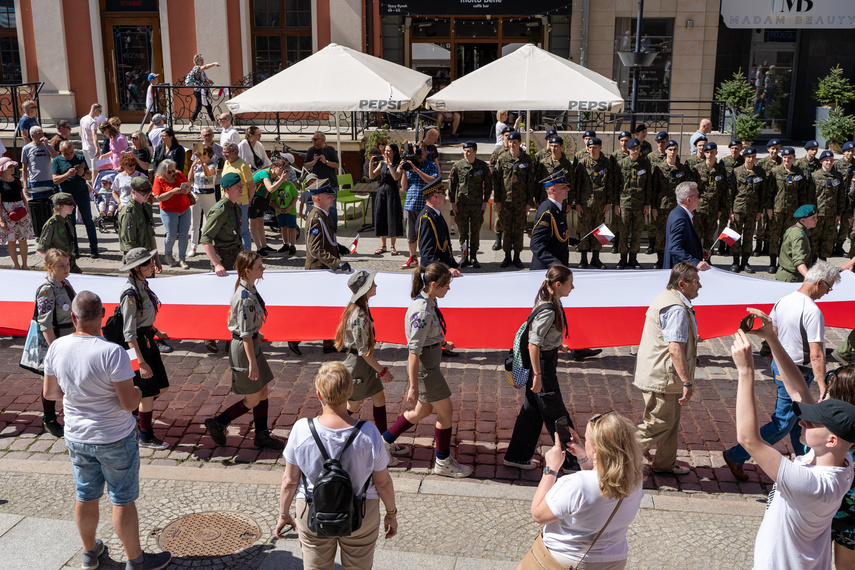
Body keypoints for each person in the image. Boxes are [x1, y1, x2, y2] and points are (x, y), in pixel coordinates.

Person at [42, 290, 172, 570]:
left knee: (85, 495)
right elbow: (128, 404)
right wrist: (137, 391)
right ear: (102, 315)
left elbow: (51, 393)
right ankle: (135, 560)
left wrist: (79, 394)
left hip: (77, 435)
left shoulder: (57, 347)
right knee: (122, 500)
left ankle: (89, 553)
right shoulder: (112, 352)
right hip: (113, 436)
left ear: (73, 317)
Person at [730, 327, 854, 570]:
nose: (802, 421)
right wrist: (773, 339)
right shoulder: (841, 461)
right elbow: (799, 391)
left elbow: (749, 440)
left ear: (831, 440)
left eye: (811, 421)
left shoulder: (811, 483)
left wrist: (746, 372)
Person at [723, 260, 840, 481]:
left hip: (780, 363)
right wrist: (823, 385)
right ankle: (736, 455)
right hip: (798, 370)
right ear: (819, 282)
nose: (828, 292)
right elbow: (816, 354)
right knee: (784, 422)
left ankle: (805, 461)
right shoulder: (813, 311)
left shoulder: (783, 301)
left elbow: (773, 333)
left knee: (799, 420)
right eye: (829, 287)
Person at [275, 362, 398, 569]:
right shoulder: (368, 432)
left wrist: (284, 514)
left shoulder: (301, 430)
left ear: (319, 395)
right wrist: (391, 514)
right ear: (351, 391)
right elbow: (383, 482)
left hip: (312, 510)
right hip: (361, 511)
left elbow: (289, 481)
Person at [381, 263, 472, 478]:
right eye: (446, 285)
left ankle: (384, 443)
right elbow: (413, 352)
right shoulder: (422, 311)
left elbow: (426, 337)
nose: (448, 288)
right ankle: (442, 462)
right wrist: (413, 386)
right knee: (446, 412)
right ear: (433, 284)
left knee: (422, 411)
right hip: (427, 371)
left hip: (429, 365)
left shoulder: (429, 301)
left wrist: (440, 342)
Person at [522, 412, 644, 570]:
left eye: (586, 440)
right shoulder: (635, 480)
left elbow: (538, 514)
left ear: (595, 450)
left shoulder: (577, 484)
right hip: (614, 561)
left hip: (564, 561)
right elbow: (600, 484)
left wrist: (551, 468)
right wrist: (584, 456)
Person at [504, 265, 582, 473]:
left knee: (531, 412)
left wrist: (557, 344)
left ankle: (516, 456)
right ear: (558, 284)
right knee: (557, 413)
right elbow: (534, 344)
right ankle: (572, 461)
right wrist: (537, 375)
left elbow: (542, 337)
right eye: (570, 283)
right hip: (543, 367)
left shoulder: (550, 300)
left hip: (545, 359)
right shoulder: (548, 310)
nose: (572, 287)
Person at [204, 250, 285, 451]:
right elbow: (245, 334)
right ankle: (219, 422)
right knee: (252, 398)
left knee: (263, 389)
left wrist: (257, 333)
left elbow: (248, 328)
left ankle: (261, 434)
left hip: (251, 343)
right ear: (247, 270)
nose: (263, 268)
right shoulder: (245, 297)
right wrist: (253, 363)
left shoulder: (249, 288)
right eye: (259, 266)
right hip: (245, 349)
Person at [633, 262, 701, 476]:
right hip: (663, 375)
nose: (699, 286)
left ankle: (664, 464)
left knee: (670, 422)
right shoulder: (676, 308)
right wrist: (687, 381)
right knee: (657, 424)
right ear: (682, 284)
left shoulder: (668, 298)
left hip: (659, 372)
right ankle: (614, 457)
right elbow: (674, 349)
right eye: (696, 282)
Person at [333, 270, 401, 458]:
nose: (376, 286)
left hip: (362, 366)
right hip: (359, 367)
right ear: (365, 290)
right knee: (352, 407)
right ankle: (332, 436)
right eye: (373, 284)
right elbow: (364, 352)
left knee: (378, 399)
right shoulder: (360, 316)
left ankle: (384, 441)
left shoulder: (361, 308)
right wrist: (382, 371)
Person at [118, 248, 171, 449]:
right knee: (147, 392)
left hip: (147, 339)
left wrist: (156, 331)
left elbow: (143, 317)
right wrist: (141, 363)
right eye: (148, 264)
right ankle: (145, 436)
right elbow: (129, 333)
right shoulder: (130, 294)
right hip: (135, 346)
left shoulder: (142, 284)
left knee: (161, 386)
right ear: (136, 268)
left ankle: (134, 413)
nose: (152, 266)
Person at [31, 248, 75, 437]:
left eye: (67, 264)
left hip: (69, 338)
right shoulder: (47, 290)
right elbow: (46, 324)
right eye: (61, 266)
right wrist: (55, 349)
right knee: (50, 380)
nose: (66, 269)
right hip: (55, 341)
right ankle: (48, 419)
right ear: (49, 267)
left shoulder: (64, 284)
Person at [495, 131, 535, 269]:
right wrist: (497, 200)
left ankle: (517, 256)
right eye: (510, 142)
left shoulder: (527, 160)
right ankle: (507, 256)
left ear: (519, 143)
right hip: (505, 201)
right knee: (507, 229)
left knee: (518, 229)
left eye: (515, 142)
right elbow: (497, 180)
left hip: (521, 201)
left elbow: (530, 183)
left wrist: (529, 202)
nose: (512, 144)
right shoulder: (502, 158)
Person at [449, 140, 491, 268]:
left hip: (477, 205)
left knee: (475, 231)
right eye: (465, 151)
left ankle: (473, 257)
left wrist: (485, 201)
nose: (466, 153)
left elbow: (489, 185)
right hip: (462, 205)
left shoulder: (482, 166)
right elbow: (452, 186)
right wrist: (453, 203)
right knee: (462, 232)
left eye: (469, 151)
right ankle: (464, 256)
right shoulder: (458, 166)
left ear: (475, 152)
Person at [767, 147, 809, 273]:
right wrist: (769, 208)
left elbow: (802, 194)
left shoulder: (799, 173)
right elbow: (770, 192)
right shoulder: (775, 171)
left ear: (793, 158)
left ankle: (783, 263)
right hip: (777, 210)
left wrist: (802, 211)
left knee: (788, 238)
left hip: (793, 212)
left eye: (789, 157)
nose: (786, 159)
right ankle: (772, 263)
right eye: (785, 157)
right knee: (774, 236)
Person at [652, 140, 692, 268]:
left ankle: (676, 261)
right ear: (666, 151)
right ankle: (660, 260)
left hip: (678, 208)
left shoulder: (683, 169)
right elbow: (654, 189)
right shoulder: (659, 168)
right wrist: (653, 207)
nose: (672, 152)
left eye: (675, 149)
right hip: (662, 207)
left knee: (678, 235)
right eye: (670, 149)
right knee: (661, 234)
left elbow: (687, 190)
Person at [574, 137, 613, 269]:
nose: (591, 150)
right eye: (590, 147)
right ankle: (583, 258)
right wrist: (577, 203)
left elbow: (610, 184)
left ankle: (596, 258)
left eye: (594, 147)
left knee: (601, 231)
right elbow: (577, 185)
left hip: (601, 204)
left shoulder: (607, 163)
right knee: (584, 230)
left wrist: (609, 202)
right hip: (585, 204)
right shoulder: (583, 163)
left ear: (600, 147)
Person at [729, 147, 769, 273]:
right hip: (738, 209)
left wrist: (759, 211)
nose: (751, 159)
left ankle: (745, 262)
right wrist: (730, 211)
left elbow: (763, 193)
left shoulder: (760, 172)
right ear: (744, 157)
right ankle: (735, 261)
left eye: (753, 156)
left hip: (753, 210)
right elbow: (730, 193)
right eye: (748, 157)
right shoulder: (736, 171)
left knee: (748, 236)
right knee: (734, 235)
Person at [614, 138, 652, 270]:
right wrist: (616, 204)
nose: (635, 151)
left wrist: (647, 204)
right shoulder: (621, 164)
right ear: (628, 149)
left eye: (637, 149)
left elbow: (648, 186)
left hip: (640, 204)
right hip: (625, 203)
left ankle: (633, 258)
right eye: (633, 149)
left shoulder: (645, 163)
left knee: (637, 232)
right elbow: (616, 185)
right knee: (623, 231)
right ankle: (623, 258)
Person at [400, 142, 439, 269]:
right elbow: (404, 187)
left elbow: (432, 181)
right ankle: (413, 258)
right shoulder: (411, 164)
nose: (418, 154)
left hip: (425, 205)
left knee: (426, 234)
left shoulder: (431, 165)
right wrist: (404, 171)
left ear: (426, 152)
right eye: (416, 151)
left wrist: (416, 170)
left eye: (420, 151)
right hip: (410, 204)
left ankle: (426, 259)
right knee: (410, 234)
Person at [152, 159, 192, 269]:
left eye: (173, 171)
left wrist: (186, 190)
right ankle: (168, 256)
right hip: (169, 211)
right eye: (169, 172)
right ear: (163, 171)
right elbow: (158, 197)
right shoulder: (158, 180)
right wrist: (173, 192)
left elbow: (188, 185)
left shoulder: (178, 174)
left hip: (184, 209)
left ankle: (182, 259)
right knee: (171, 236)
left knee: (184, 235)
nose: (172, 174)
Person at [690, 140, 729, 252]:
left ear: (716, 152)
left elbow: (723, 191)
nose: (709, 154)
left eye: (712, 152)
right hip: (699, 208)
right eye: (707, 152)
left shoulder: (721, 170)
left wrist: (721, 209)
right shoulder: (697, 169)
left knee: (709, 235)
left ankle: (707, 257)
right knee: (697, 234)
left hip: (714, 208)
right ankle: (697, 257)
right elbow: (692, 190)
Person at [417, 178, 460, 275]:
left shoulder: (436, 214)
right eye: (443, 192)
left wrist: (453, 264)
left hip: (442, 271)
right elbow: (427, 254)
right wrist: (447, 268)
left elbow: (445, 247)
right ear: (435, 196)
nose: (445, 195)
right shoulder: (426, 219)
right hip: (434, 273)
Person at [119, 177, 162, 272]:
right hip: (137, 262)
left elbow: (151, 235)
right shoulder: (129, 213)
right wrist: (142, 265)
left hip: (148, 258)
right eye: (144, 194)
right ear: (133, 192)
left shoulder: (147, 207)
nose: (147, 196)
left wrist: (156, 259)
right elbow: (129, 245)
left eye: (149, 193)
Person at [663, 182, 709, 270]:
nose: (699, 199)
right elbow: (674, 248)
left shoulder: (677, 212)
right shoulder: (680, 218)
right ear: (689, 199)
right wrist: (696, 262)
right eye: (697, 196)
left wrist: (698, 251)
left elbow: (683, 242)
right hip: (680, 272)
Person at [369, 142, 404, 255]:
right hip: (381, 192)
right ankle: (383, 246)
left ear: (394, 152)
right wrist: (371, 164)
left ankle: (393, 246)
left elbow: (396, 177)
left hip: (392, 193)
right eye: (385, 151)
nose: (386, 153)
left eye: (388, 151)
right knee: (381, 218)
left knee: (392, 219)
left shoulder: (399, 164)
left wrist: (389, 164)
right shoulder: (382, 163)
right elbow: (372, 176)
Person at [0, 156, 33, 270]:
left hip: (21, 211)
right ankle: (16, 265)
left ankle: (25, 264)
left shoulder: (17, 180)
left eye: (13, 166)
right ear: (3, 169)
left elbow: (23, 197)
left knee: (23, 239)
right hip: (7, 213)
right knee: (11, 240)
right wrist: (1, 220)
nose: (12, 168)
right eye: (9, 166)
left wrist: (28, 212)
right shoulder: (0, 182)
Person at [811, 150, 844, 261]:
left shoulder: (838, 176)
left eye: (831, 160)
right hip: (817, 214)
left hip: (831, 214)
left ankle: (823, 262)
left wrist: (839, 214)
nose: (829, 163)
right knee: (815, 238)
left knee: (828, 239)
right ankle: (813, 261)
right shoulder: (815, 176)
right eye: (826, 161)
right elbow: (810, 196)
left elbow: (841, 196)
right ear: (821, 161)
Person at [250, 156, 287, 255]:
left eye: (283, 168)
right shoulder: (265, 173)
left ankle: (264, 245)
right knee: (253, 223)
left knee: (260, 221)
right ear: (274, 167)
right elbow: (270, 188)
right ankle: (259, 248)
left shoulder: (273, 176)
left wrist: (262, 205)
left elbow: (267, 191)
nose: (282, 170)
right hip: (250, 199)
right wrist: (281, 179)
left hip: (258, 200)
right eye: (281, 168)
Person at [221, 141, 254, 250]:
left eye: (227, 152)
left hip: (240, 202)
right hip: (227, 201)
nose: (224, 155)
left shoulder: (243, 165)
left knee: (243, 230)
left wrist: (249, 200)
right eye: (223, 152)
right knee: (230, 228)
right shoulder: (226, 163)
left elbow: (251, 184)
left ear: (235, 152)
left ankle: (247, 253)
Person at [36, 193, 81, 273]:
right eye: (69, 204)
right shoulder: (52, 224)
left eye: (73, 204)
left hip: (70, 262)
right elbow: (41, 249)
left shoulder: (67, 220)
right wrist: (53, 265)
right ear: (60, 206)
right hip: (59, 265)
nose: (73, 206)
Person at [188, 145, 219, 258]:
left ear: (209, 154)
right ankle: (193, 246)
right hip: (196, 194)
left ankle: (211, 245)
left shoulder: (213, 165)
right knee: (194, 222)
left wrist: (202, 162)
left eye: (204, 153)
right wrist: (192, 166)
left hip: (209, 195)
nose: (202, 155)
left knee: (210, 221)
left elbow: (208, 174)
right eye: (201, 153)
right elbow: (189, 179)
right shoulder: (197, 164)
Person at [305, 131, 340, 227]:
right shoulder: (311, 150)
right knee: (318, 206)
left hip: (330, 183)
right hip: (317, 184)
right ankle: (321, 226)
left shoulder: (330, 150)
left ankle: (332, 227)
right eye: (313, 139)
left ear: (322, 140)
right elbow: (306, 165)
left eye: (315, 139)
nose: (313, 141)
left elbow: (337, 165)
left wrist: (326, 161)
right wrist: (314, 161)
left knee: (332, 206)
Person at [776, 204, 816, 282]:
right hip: (792, 278)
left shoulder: (794, 229)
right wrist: (810, 279)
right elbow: (799, 261)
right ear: (803, 220)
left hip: (786, 275)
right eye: (813, 218)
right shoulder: (799, 236)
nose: (816, 220)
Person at [22, 125, 59, 200]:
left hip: (48, 180)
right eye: (39, 134)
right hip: (35, 182)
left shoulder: (48, 146)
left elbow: (56, 157)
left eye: (42, 133)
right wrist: (25, 185)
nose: (42, 136)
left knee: (50, 204)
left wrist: (47, 146)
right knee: (39, 204)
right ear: (32, 136)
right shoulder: (26, 148)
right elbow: (24, 169)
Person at [536, 135, 573, 206]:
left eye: (555, 146)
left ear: (561, 146)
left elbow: (571, 183)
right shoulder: (543, 163)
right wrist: (537, 200)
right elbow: (538, 183)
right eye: (551, 146)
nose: (553, 149)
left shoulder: (566, 164)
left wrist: (569, 203)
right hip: (545, 198)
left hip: (561, 200)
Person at [187, 54, 220, 129]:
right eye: (200, 60)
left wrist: (208, 80)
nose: (202, 61)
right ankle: (214, 123)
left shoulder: (200, 70)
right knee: (208, 106)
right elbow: (205, 67)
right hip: (199, 91)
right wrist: (214, 63)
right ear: (196, 62)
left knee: (198, 107)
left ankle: (191, 122)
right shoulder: (196, 68)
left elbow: (199, 79)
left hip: (201, 91)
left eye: (202, 59)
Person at [79, 103, 106, 171]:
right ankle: (95, 181)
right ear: (96, 110)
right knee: (96, 169)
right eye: (100, 111)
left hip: (85, 147)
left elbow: (80, 133)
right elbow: (94, 135)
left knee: (90, 168)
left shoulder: (83, 119)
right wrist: (97, 148)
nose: (100, 113)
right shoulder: (93, 122)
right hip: (92, 148)